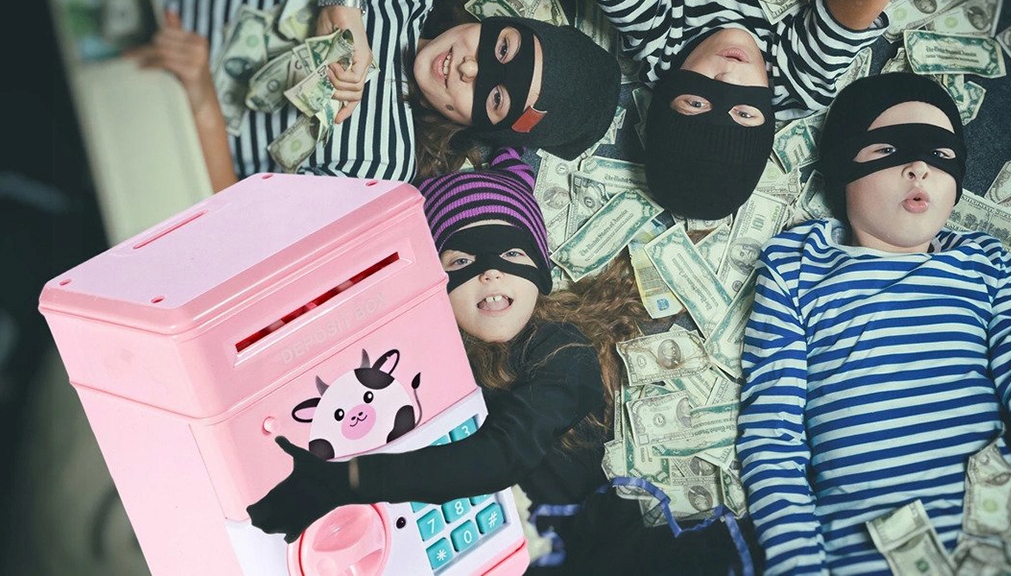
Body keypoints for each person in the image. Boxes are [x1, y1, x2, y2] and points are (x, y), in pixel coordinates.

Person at [246, 147, 758, 574]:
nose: (489, 273)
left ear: (540, 272)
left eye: (511, 254)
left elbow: (502, 455)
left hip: (610, 552)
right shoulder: (431, 351)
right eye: (462, 260)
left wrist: (349, 480)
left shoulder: (564, 350)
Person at [735, 73, 1011, 574]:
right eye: (887, 149)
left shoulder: (986, 265)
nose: (919, 168)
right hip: (863, 560)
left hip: (1008, 552)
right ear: (843, 167)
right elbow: (772, 435)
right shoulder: (796, 266)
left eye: (939, 154)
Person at [132, 1, 619, 190]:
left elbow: (231, 212)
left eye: (495, 98)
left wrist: (200, 101)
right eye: (503, 48)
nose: (470, 67)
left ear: (485, 128)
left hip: (151, 120)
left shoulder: (384, 167)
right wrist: (341, 8)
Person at [592, 0, 890, 219]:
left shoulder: (657, 43)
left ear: (666, 95)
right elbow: (854, 11)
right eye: (744, 114)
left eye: (695, 103)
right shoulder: (798, 83)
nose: (728, 78)